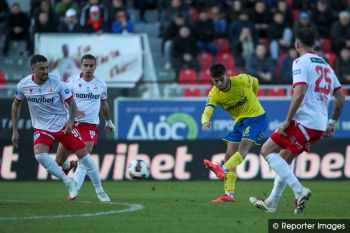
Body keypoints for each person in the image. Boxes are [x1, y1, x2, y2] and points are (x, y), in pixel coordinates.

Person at [247, 28, 345, 214]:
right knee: (284, 159)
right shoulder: (327, 66)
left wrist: (287, 120)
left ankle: (299, 191)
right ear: (314, 44)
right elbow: (340, 98)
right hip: (319, 124)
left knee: (266, 150)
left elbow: (299, 93)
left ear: (297, 44)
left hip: (305, 121)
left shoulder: (300, 62)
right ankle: (272, 203)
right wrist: (332, 123)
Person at [11, 54, 110, 202]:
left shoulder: (57, 81)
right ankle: (68, 181)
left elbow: (71, 103)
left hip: (63, 125)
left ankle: (100, 191)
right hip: (42, 127)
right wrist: (14, 131)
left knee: (85, 158)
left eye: (47, 68)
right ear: (33, 69)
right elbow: (16, 105)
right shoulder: (23, 85)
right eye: (41, 69)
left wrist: (70, 122)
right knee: (40, 155)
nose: (45, 71)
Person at [202, 64, 268, 203]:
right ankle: (229, 195)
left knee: (243, 148)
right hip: (240, 122)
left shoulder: (241, 80)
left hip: (257, 118)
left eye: (221, 79)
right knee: (228, 154)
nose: (219, 83)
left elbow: (255, 82)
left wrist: (253, 97)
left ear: (226, 75)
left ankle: (222, 169)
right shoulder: (214, 93)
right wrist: (205, 121)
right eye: (215, 81)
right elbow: (208, 110)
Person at [55, 54, 115, 198]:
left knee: (84, 158)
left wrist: (108, 121)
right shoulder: (72, 82)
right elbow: (62, 100)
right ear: (81, 66)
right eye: (85, 65)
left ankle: (77, 190)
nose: (88, 68)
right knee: (59, 161)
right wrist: (73, 110)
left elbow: (104, 104)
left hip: (90, 126)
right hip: (73, 125)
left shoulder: (101, 84)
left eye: (91, 65)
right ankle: (68, 166)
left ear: (95, 66)